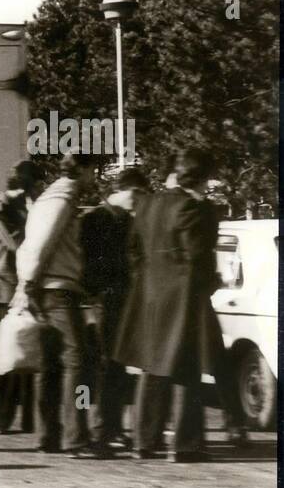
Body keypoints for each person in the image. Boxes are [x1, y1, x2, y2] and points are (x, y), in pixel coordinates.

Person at [113, 148, 248, 463]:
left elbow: (133, 251)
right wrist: (211, 282)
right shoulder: (193, 208)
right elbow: (198, 258)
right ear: (200, 179)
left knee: (152, 368)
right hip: (185, 300)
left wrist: (150, 281)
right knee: (186, 370)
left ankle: (144, 443)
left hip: (150, 300)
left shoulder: (148, 204)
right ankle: (186, 446)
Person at [14, 152, 106, 458]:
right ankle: (76, 438)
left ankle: (48, 436)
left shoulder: (48, 198)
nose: (96, 177)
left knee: (49, 363)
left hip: (45, 287)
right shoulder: (63, 198)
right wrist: (27, 285)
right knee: (76, 360)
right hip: (56, 289)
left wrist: (27, 285)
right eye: (94, 170)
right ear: (81, 169)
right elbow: (41, 244)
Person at [79, 167, 147, 451]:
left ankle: (113, 427)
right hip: (101, 301)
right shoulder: (93, 219)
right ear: (128, 191)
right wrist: (92, 300)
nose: (140, 202)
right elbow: (85, 262)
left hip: (122, 301)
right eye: (139, 195)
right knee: (104, 365)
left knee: (117, 365)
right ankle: (102, 429)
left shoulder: (126, 221)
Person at [0, 161, 42, 434]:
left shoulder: (18, 207)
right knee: (9, 358)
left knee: (31, 354)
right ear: (25, 187)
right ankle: (0, 418)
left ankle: (31, 419)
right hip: (8, 289)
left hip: (24, 285)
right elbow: (16, 243)